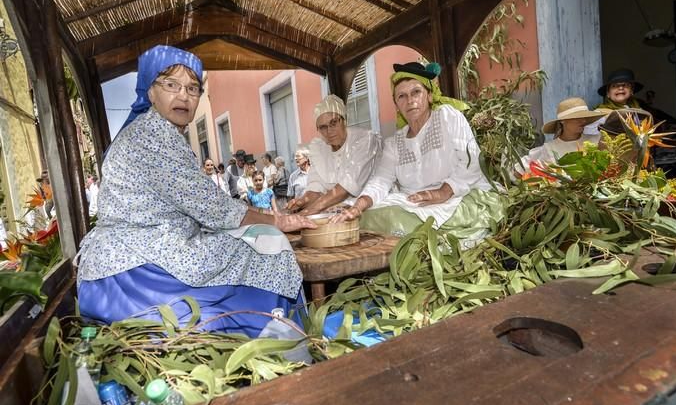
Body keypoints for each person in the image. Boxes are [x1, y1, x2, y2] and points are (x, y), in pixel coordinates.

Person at [76, 45, 315, 338]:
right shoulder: (152, 137)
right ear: (150, 91)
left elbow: (204, 202)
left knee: (255, 238)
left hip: (128, 262)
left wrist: (263, 213)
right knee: (268, 246)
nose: (183, 96)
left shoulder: (157, 132)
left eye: (192, 88)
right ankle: (275, 336)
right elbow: (215, 210)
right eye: (171, 85)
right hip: (132, 272)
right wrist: (277, 222)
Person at [332, 62, 500, 241]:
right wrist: (358, 206)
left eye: (416, 92)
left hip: (457, 196)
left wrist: (442, 192)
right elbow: (381, 180)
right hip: (415, 204)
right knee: (364, 217)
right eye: (402, 96)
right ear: (396, 104)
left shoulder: (447, 116)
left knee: (394, 223)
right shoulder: (395, 143)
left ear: (429, 95)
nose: (410, 100)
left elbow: (472, 161)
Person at [286, 95, 381, 215]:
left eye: (334, 123)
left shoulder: (364, 140)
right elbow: (316, 187)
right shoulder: (319, 149)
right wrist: (302, 201)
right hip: (337, 212)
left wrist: (307, 212)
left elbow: (345, 188)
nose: (329, 131)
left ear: (344, 120)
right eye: (323, 127)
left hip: (370, 209)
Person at [517, 97, 605, 172]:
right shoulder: (550, 148)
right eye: (577, 118)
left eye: (585, 117)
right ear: (563, 121)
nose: (583, 121)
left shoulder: (597, 140)